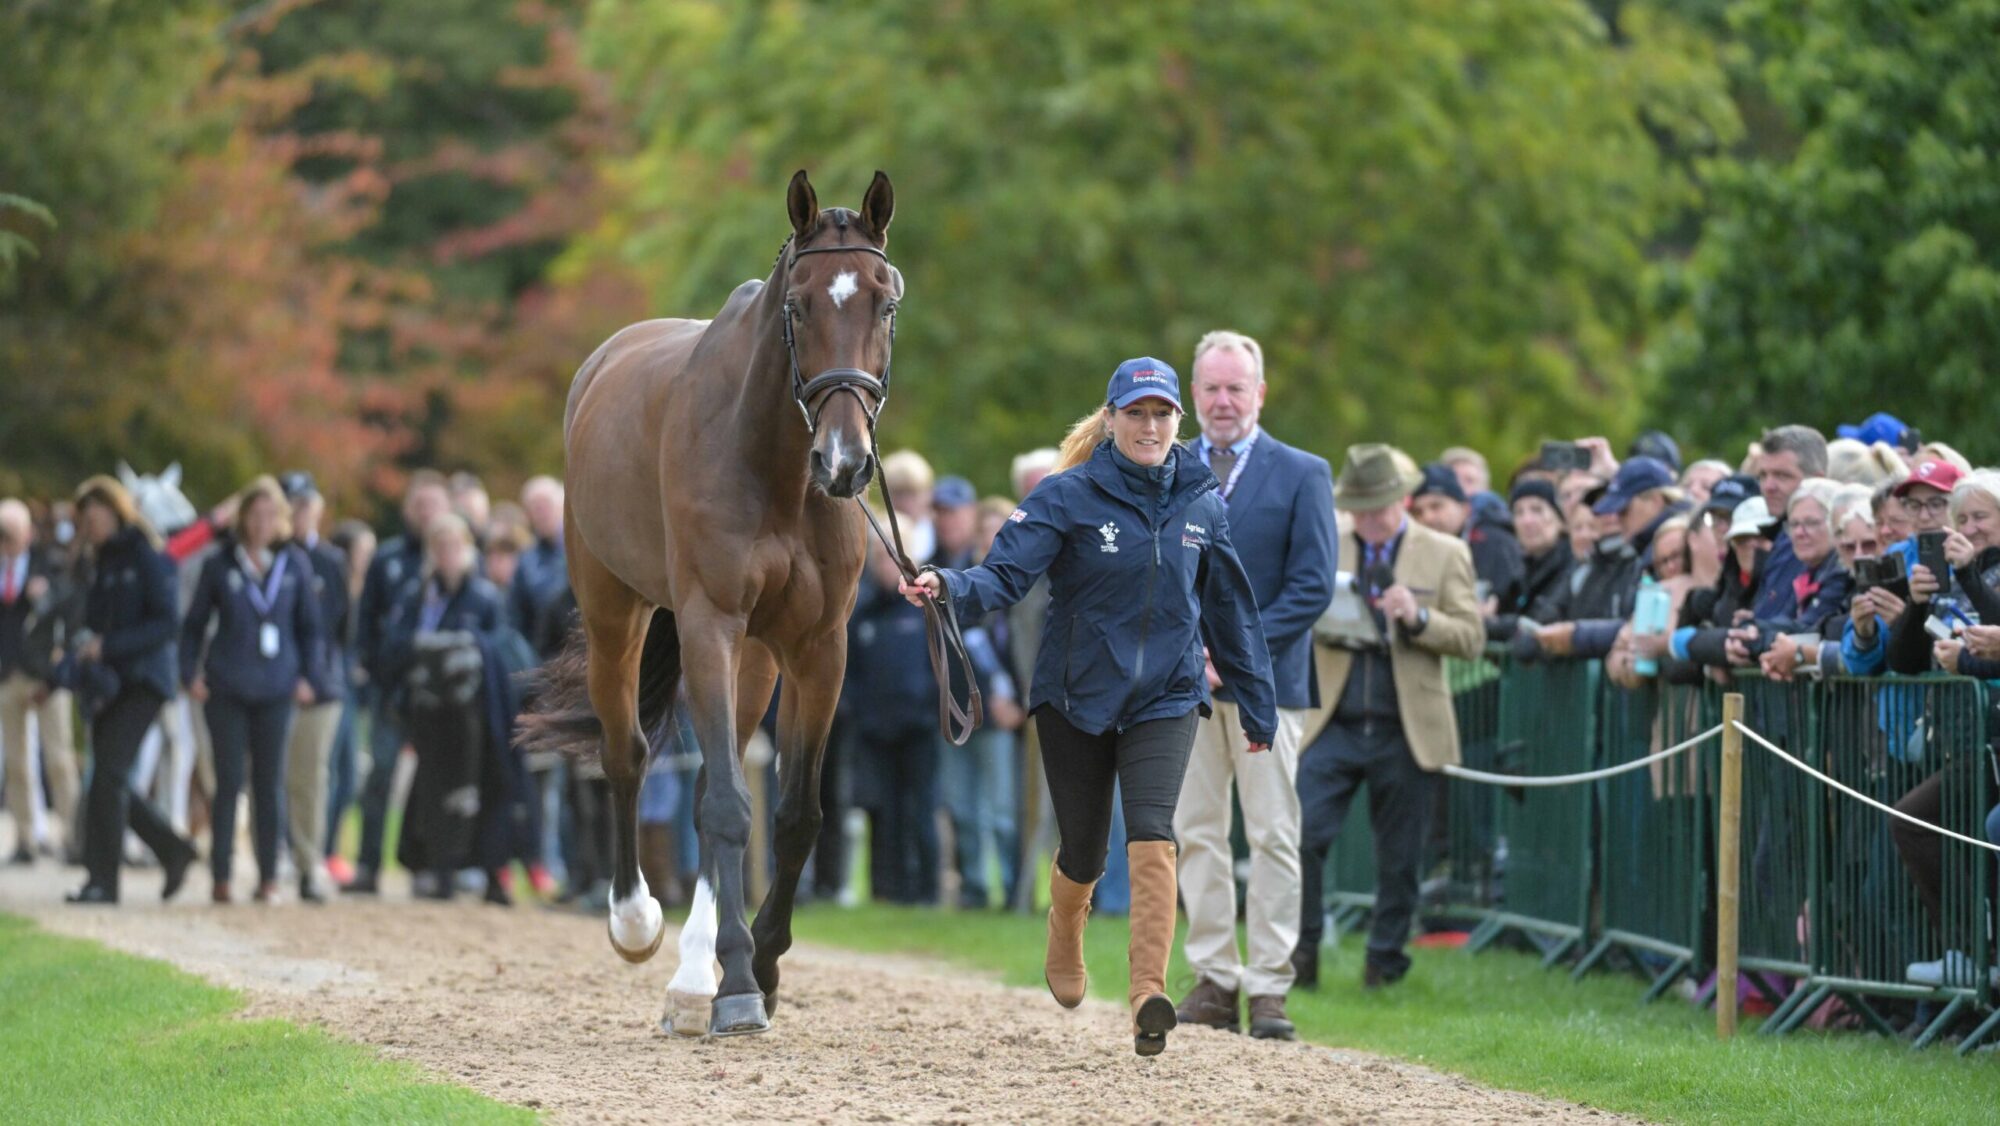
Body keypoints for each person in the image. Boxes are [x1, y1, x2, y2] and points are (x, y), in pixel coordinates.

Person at [900, 356, 1277, 1058]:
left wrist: (1258, 708)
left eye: (1163, 413)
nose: (1150, 425)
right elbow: (1005, 575)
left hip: (1166, 695)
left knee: (1154, 832)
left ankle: (1147, 994)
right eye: (1136, 413)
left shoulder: (1203, 500)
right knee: (1081, 847)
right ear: (1111, 420)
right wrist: (947, 585)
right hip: (1075, 698)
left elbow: (1231, 613)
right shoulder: (1066, 495)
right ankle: (1065, 929)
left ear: (1177, 421)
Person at [1170, 330, 1334, 1041]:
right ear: (1193, 394)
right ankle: (1214, 979)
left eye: (1236, 388)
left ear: (1260, 392)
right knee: (1195, 831)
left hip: (1271, 685)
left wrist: (1234, 653)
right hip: (1183, 685)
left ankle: (1269, 987)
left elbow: (1312, 587)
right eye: (1210, 388)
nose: (1223, 401)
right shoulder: (1166, 467)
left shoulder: (1303, 473)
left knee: (1271, 835)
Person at [1296, 444, 1485, 988]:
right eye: (1358, 509)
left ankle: (1384, 963)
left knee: (1400, 858)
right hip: (1334, 718)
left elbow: (1471, 638)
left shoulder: (1445, 553)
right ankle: (1300, 954)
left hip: (1408, 726)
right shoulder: (1329, 541)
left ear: (1401, 501)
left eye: (1376, 509)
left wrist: (1420, 617)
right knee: (1303, 835)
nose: (1367, 521)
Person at [180, 476, 327, 904]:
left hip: (277, 688)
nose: (263, 523)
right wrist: (190, 673)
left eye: (271, 514)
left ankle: (268, 876)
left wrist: (308, 677)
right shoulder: (221, 564)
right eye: (255, 514)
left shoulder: (294, 564)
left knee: (269, 783)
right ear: (243, 518)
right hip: (227, 686)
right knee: (227, 783)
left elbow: (311, 630)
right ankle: (221, 875)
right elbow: (192, 627)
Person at [63, 477, 198, 905]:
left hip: (143, 681)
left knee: (108, 777)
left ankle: (106, 880)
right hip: (109, 683)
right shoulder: (99, 561)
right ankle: (168, 851)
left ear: (115, 511)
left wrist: (109, 646)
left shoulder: (144, 553)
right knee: (107, 778)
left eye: (95, 515)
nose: (90, 525)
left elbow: (165, 622)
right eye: (84, 519)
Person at [378, 513, 522, 903]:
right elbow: (396, 645)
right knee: (434, 788)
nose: (447, 554)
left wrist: (463, 647)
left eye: (454, 546)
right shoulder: (418, 596)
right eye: (439, 547)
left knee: (482, 788)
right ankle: (439, 868)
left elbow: (500, 649)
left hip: (476, 714)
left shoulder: (485, 598)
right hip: (429, 713)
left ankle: (487, 870)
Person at [347, 470, 452, 893]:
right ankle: (367, 866)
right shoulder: (388, 558)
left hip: (438, 695)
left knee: (431, 782)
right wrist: (373, 670)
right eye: (419, 505)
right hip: (391, 689)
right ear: (408, 508)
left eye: (433, 505)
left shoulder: (456, 559)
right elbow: (366, 620)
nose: (425, 513)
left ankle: (423, 866)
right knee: (380, 776)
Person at [1, 498, 83, 863]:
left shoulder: (49, 564)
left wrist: (43, 597)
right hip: (7, 675)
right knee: (17, 763)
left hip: (44, 676)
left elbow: (70, 607)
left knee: (59, 759)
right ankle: (25, 838)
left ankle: (73, 837)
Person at [279, 472, 348, 902]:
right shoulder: (269, 559)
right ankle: (273, 859)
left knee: (311, 776)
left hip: (319, 684)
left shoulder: (330, 562)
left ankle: (308, 860)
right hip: (270, 682)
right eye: (293, 505)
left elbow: (340, 629)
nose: (301, 513)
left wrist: (314, 676)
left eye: (307, 505)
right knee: (271, 776)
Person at [1412, 462, 1523, 615]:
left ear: (1465, 509)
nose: (1427, 517)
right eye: (1418, 512)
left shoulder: (1495, 544)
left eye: (1436, 506)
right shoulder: (1415, 551)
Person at [1484, 479, 1572, 642]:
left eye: (1537, 510)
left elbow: (1538, 623)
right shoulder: (1521, 569)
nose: (1527, 521)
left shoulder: (1571, 564)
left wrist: (1489, 622)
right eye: (1518, 512)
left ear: (1561, 520)